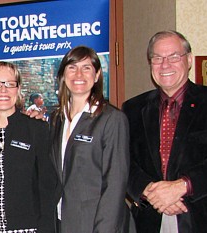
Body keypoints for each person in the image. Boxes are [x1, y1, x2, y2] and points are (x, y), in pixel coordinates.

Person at [123, 30, 207, 233]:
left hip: (203, 219)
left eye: (173, 57)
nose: (165, 65)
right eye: (157, 58)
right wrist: (152, 193)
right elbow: (124, 161)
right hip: (149, 219)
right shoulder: (132, 108)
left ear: (189, 60)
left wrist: (181, 187)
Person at [0, 62, 56, 232]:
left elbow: (47, 189)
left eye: (10, 84)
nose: (3, 90)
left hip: (27, 229)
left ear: (18, 89)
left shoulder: (37, 129)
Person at [50, 46, 130, 232]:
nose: (79, 74)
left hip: (96, 223)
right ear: (62, 75)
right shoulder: (56, 119)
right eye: (72, 67)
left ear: (97, 75)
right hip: (63, 221)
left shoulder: (111, 119)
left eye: (86, 68)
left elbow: (115, 185)